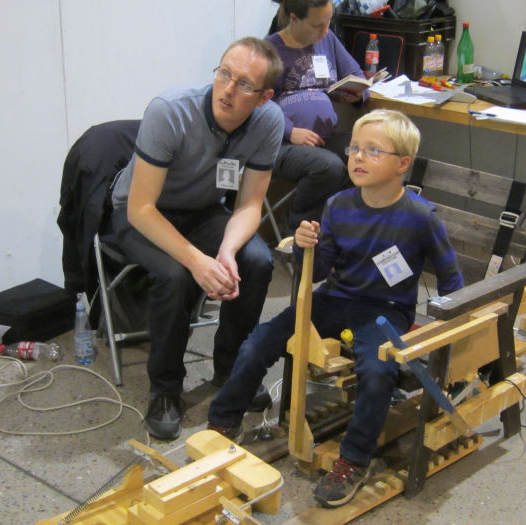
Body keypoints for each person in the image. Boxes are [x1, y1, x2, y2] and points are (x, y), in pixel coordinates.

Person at [207, 109, 465, 507]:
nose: (358, 157)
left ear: (402, 164)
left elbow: (450, 278)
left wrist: (453, 331)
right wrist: (307, 246)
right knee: (257, 343)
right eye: (355, 149)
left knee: (377, 373)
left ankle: (354, 460)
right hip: (333, 298)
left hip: (385, 310)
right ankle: (224, 422)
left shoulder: (420, 218)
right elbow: (321, 271)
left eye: (372, 151)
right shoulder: (338, 205)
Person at [108, 37, 285, 441]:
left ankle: (232, 369)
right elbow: (140, 209)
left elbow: (250, 204)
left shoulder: (269, 121)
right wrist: (195, 260)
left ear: (264, 97)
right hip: (139, 213)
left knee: (256, 260)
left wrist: (226, 251)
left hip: (202, 212)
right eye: (224, 74)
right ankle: (165, 390)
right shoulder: (171, 111)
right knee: (175, 275)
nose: (227, 89)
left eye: (243, 84)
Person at [266, 0, 369, 235]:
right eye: (317, 25)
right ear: (294, 19)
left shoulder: (328, 39)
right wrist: (290, 131)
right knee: (329, 167)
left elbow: (356, 75)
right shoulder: (268, 50)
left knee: (372, 155)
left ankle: (342, 230)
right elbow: (257, 106)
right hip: (280, 144)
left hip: (324, 139)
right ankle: (296, 228)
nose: (325, 30)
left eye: (328, 21)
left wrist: (356, 95)